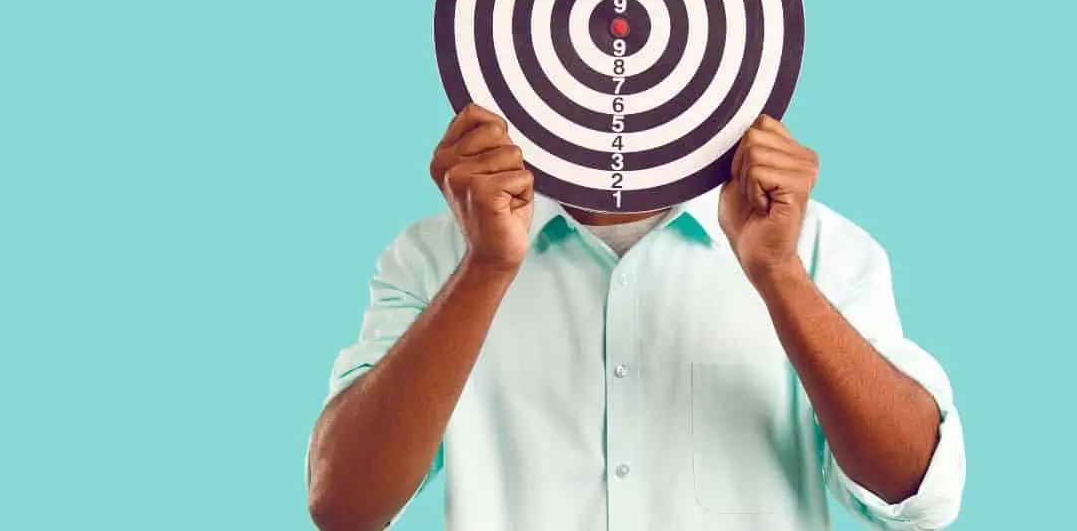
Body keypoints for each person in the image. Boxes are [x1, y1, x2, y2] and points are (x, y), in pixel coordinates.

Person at [306, 105, 964, 531]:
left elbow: (919, 492)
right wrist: (485, 268)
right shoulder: (434, 256)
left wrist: (780, 275)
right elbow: (343, 504)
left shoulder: (816, 248)